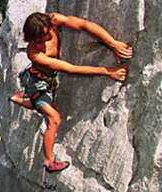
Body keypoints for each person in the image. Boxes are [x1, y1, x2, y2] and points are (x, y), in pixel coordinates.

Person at [10, 12, 133, 172]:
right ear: (33, 38)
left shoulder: (52, 19)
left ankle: (20, 99)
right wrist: (108, 71)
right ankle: (49, 162)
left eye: (49, 33)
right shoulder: (34, 53)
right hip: (38, 84)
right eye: (43, 37)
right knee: (54, 119)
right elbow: (70, 68)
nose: (48, 38)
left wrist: (112, 43)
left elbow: (84, 25)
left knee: (38, 104)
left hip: (50, 80)